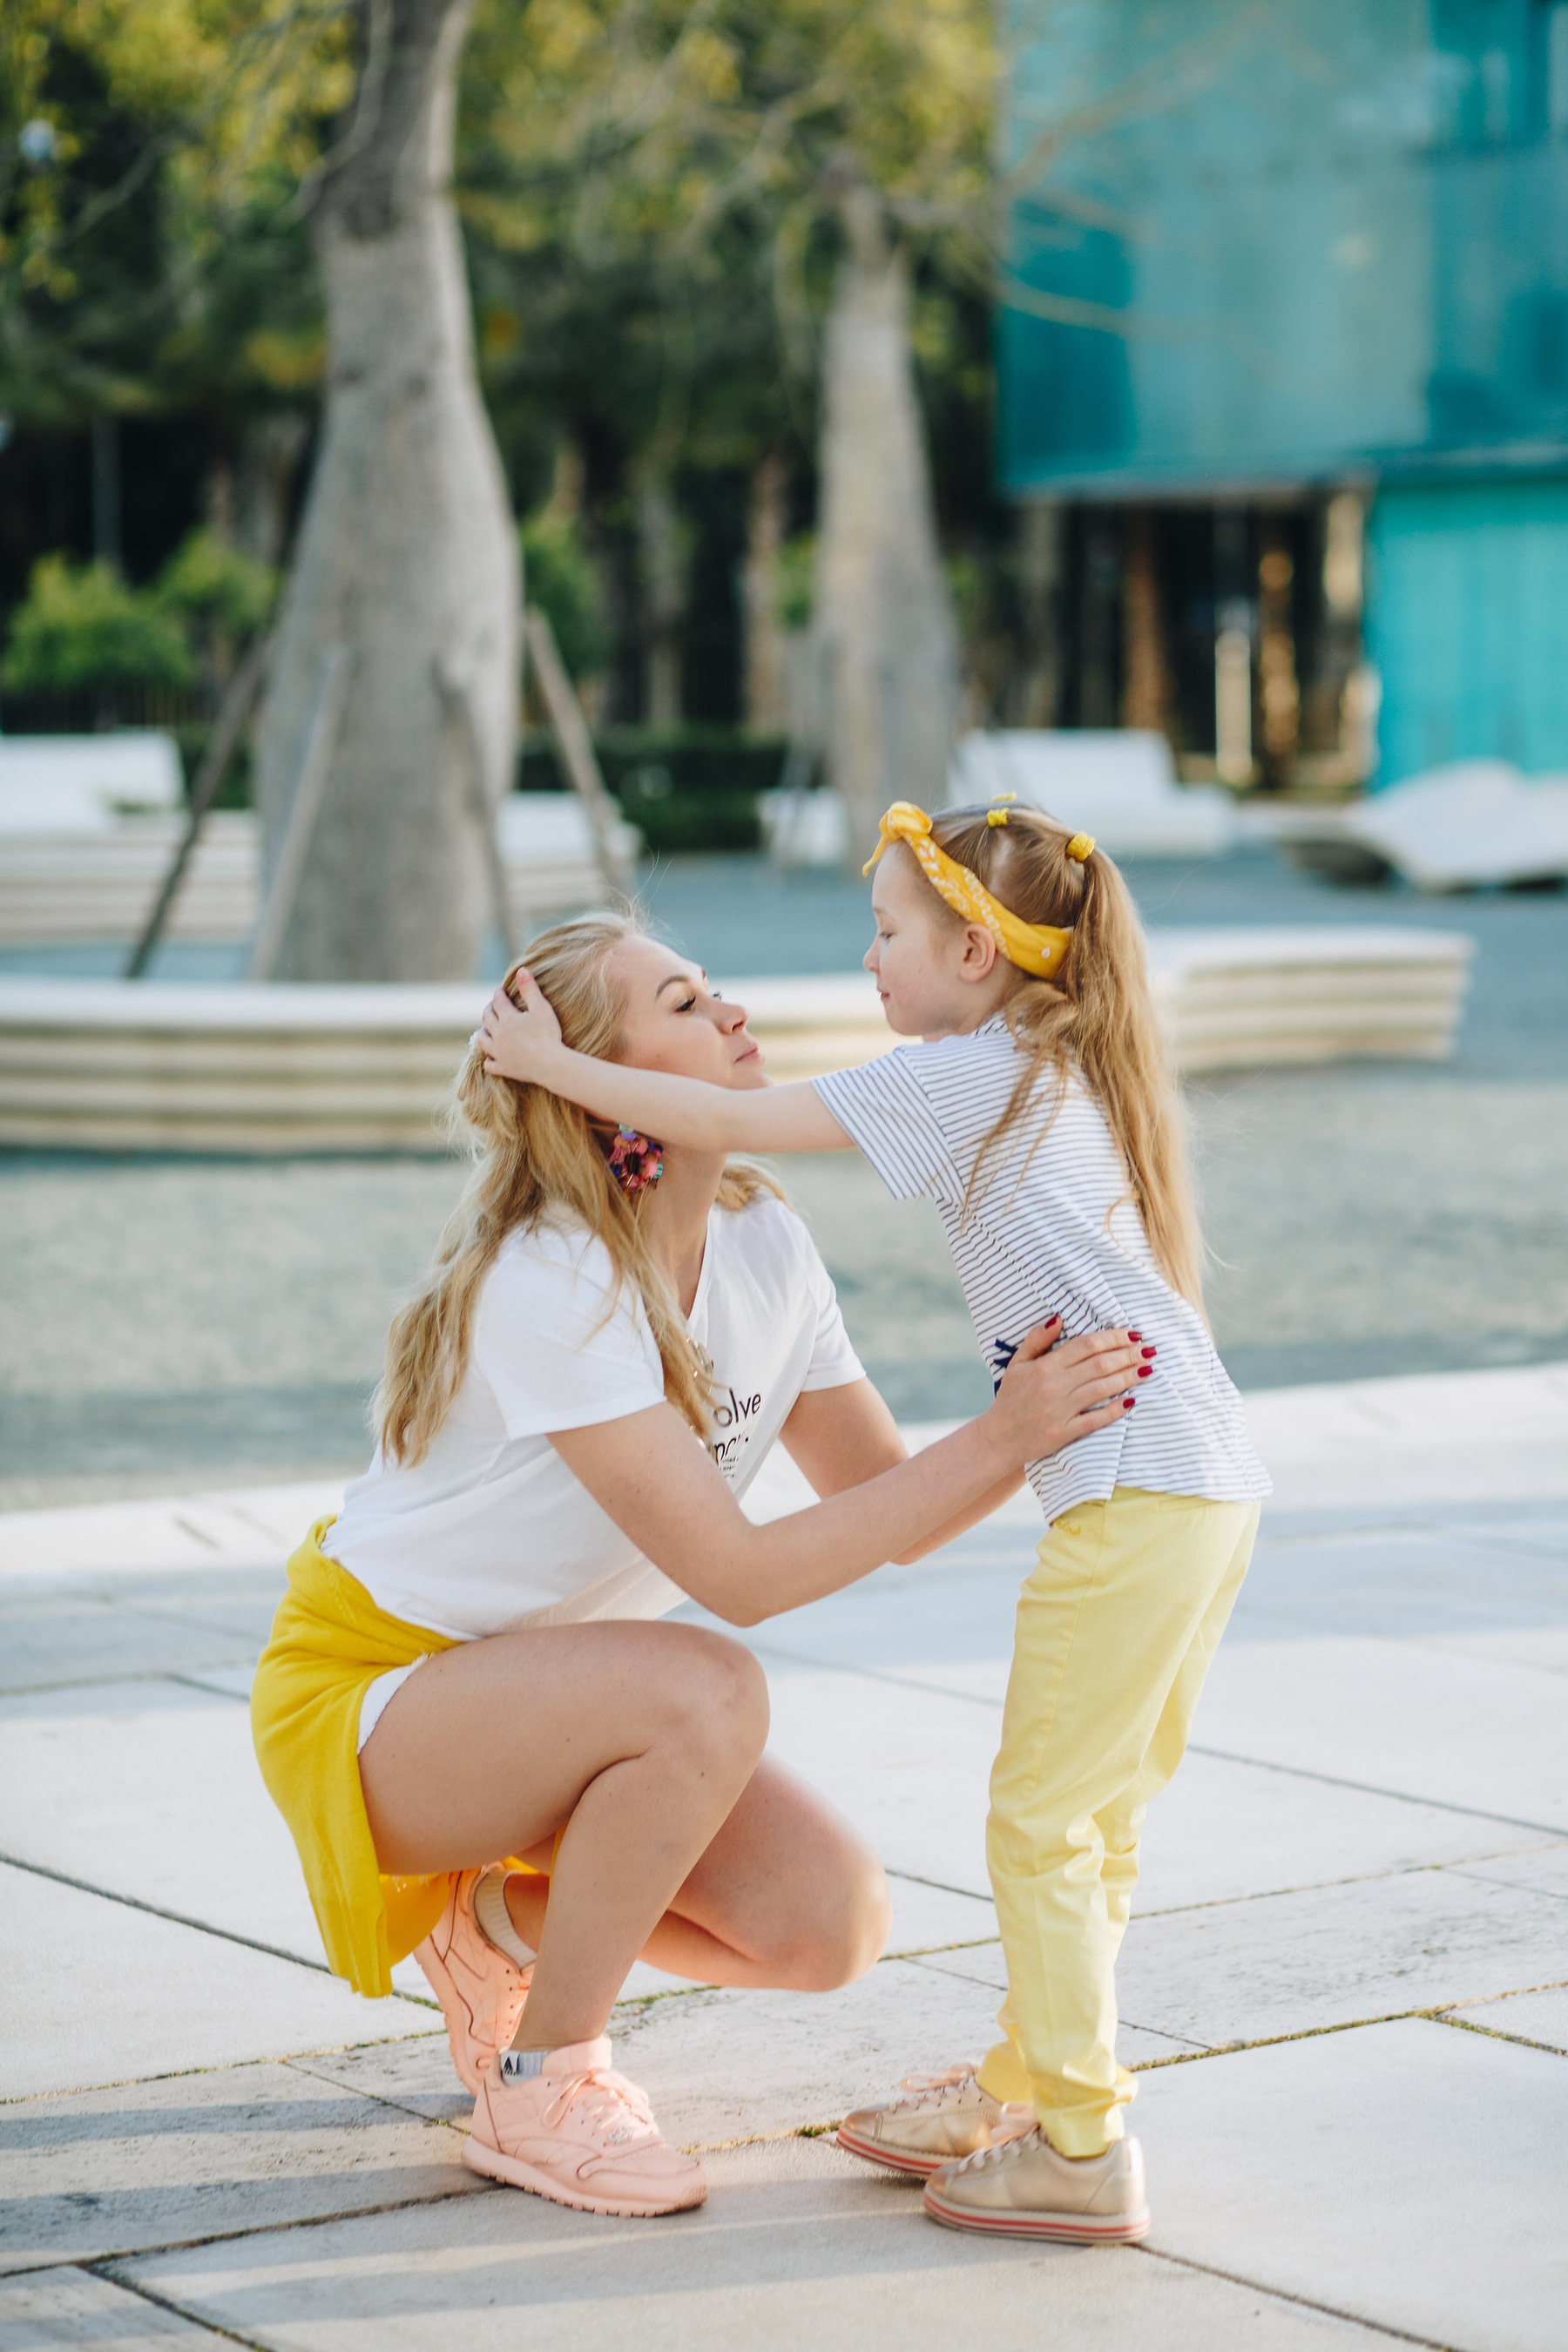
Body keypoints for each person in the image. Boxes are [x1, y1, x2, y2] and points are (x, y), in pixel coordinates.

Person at [251, 909, 1147, 2225]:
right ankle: (543, 2085)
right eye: (681, 1002)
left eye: (714, 988)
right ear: (596, 1077)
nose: (731, 1013)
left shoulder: (765, 1241)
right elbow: (736, 1578)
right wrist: (1009, 1429)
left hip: (557, 1702)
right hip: (381, 1697)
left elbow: (890, 1502)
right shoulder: (554, 1275)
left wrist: (1054, 1404)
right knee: (709, 1686)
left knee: (825, 1923)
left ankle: (491, 1927)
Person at [481, 799, 1272, 2244]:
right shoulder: (1044, 1066)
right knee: (1091, 1822)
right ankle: (1028, 2083)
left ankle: (1079, 2147)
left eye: (893, 934)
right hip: (1203, 1488)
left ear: (975, 951)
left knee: (1041, 1826)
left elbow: (725, 1120)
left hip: (1139, 1493)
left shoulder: (967, 1072)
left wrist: (550, 1060)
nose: (868, 958)